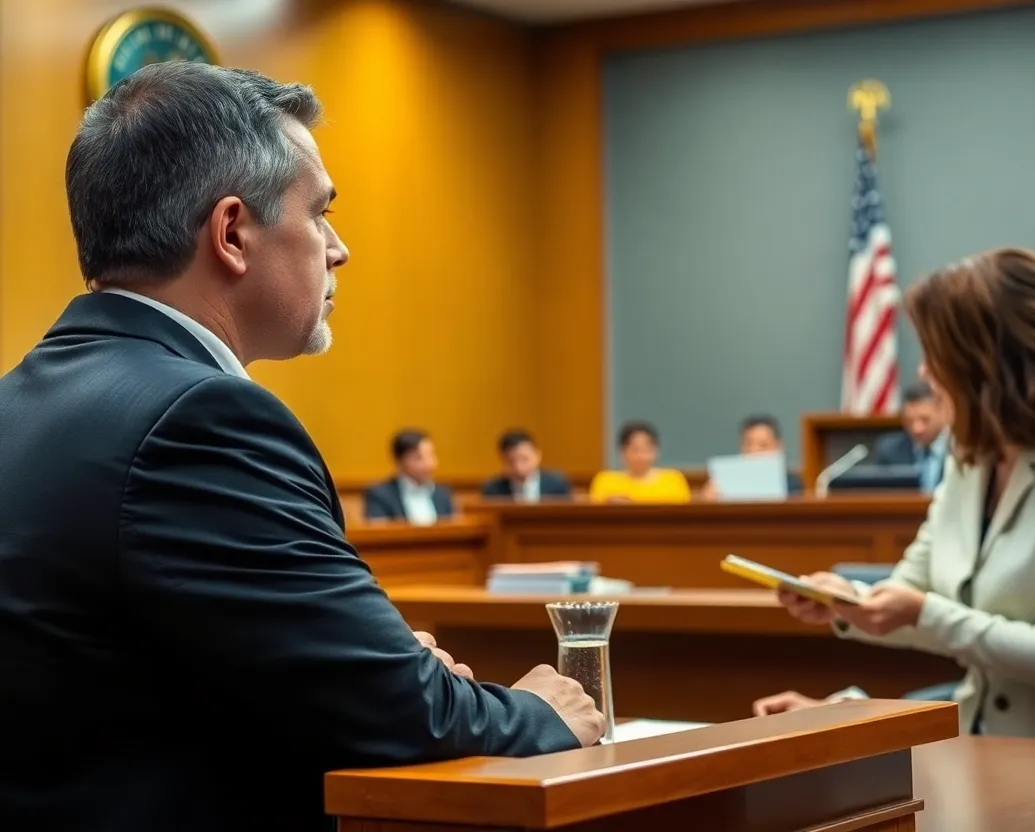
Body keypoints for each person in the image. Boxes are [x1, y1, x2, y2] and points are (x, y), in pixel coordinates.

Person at [0, 63, 603, 832]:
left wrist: (357, 658)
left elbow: (125, 672)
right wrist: (537, 710)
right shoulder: (202, 418)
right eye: (319, 213)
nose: (338, 248)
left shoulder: (17, 402)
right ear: (231, 234)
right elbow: (403, 715)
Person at [755, 248, 1035, 742]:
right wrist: (846, 602)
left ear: (984, 363)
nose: (924, 374)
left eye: (935, 355)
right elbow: (913, 587)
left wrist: (921, 612)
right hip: (985, 749)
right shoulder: (971, 459)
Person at [364, 429, 456, 523]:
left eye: (431, 455)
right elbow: (380, 534)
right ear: (400, 461)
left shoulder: (442, 494)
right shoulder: (380, 495)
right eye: (418, 458)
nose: (430, 464)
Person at [872, 381, 949, 492]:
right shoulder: (889, 451)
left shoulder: (957, 450)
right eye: (909, 421)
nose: (917, 429)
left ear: (942, 414)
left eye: (925, 420)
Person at [702, 414, 804, 499]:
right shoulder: (725, 483)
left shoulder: (792, 485)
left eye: (763, 445)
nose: (754, 451)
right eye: (748, 444)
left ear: (779, 447)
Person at [589, 421, 691, 503]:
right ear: (622, 452)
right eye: (635, 450)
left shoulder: (673, 480)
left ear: (656, 451)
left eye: (646, 450)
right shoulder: (605, 481)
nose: (641, 456)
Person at [481, 429, 572, 501]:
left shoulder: (556, 484)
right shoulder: (493, 490)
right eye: (511, 461)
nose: (518, 467)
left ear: (538, 455)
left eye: (524, 459)